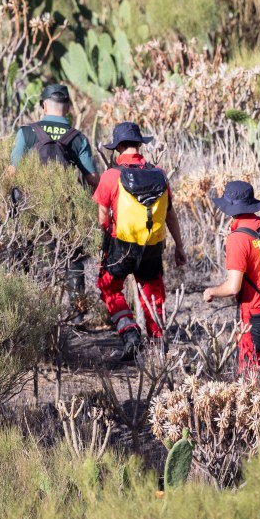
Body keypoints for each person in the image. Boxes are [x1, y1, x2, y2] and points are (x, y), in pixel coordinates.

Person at [93, 122, 187, 361]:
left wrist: (108, 238)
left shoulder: (111, 176)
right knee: (154, 295)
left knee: (108, 287)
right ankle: (158, 347)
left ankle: (129, 331)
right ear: (139, 146)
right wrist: (179, 246)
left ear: (118, 147)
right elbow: (170, 214)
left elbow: (102, 217)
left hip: (121, 246)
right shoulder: (160, 174)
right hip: (153, 247)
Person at [9, 84, 99, 322]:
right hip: (67, 208)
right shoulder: (77, 138)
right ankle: (77, 315)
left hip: (32, 207)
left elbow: (11, 173)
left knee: (25, 256)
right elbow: (92, 179)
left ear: (44, 105)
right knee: (74, 257)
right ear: (68, 107)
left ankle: (25, 310)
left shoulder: (27, 133)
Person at [202, 181, 260, 389]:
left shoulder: (238, 238)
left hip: (253, 313)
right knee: (257, 367)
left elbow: (233, 287)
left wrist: (212, 291)